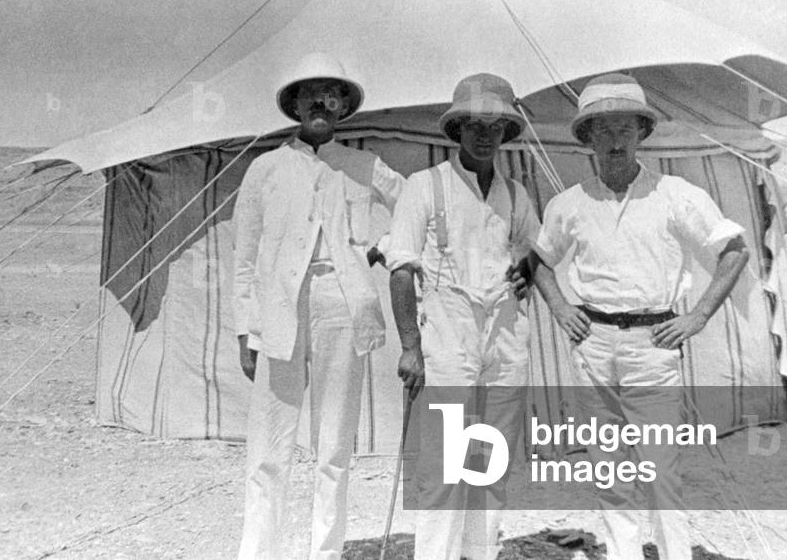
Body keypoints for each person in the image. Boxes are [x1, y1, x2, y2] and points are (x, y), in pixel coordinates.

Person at [530, 73, 750, 560]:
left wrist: (698, 317)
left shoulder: (675, 194)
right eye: (602, 131)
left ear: (641, 134)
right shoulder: (569, 203)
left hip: (653, 346)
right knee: (608, 467)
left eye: (624, 129)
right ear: (586, 138)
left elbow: (733, 250)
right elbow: (539, 262)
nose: (614, 142)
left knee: (660, 469)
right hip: (594, 346)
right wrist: (562, 308)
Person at [231, 52, 405, 560]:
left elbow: (418, 207)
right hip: (280, 313)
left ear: (344, 105)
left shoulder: (362, 165)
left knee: (332, 449)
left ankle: (324, 554)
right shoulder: (265, 170)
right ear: (296, 105)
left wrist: (381, 247)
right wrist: (246, 330)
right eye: (311, 94)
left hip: (340, 308)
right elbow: (244, 257)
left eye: (332, 93)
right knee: (268, 450)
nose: (321, 102)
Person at [386, 73, 540, 560]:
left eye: (493, 124)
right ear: (456, 130)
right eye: (472, 123)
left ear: (505, 132)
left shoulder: (515, 194)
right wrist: (411, 346)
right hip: (448, 339)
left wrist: (529, 270)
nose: (483, 133)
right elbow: (399, 268)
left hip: (505, 338)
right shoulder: (424, 186)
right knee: (445, 464)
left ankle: (481, 554)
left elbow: (543, 253)